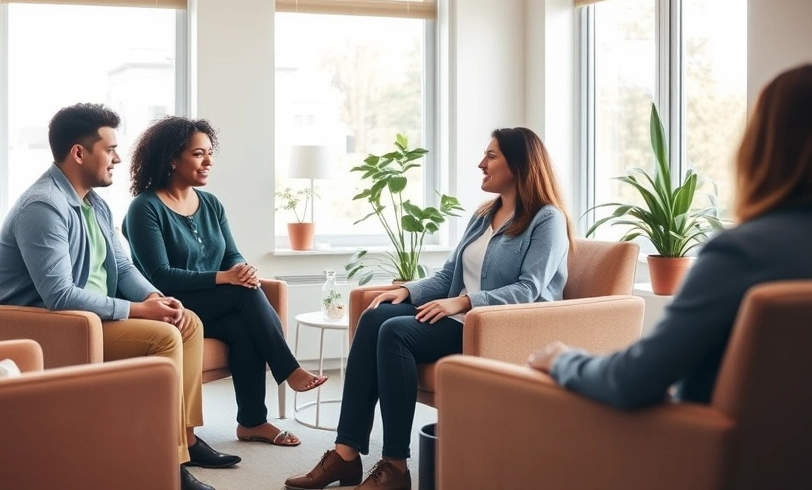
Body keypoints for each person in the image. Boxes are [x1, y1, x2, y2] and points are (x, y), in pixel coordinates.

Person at [286, 127, 573, 490]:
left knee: (395, 332)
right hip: (460, 318)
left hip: (501, 326)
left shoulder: (546, 219)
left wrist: (466, 301)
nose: (481, 164)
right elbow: (449, 274)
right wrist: (406, 291)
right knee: (375, 316)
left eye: (491, 156)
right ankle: (345, 454)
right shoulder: (485, 214)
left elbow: (529, 289)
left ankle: (395, 465)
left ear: (518, 164)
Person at [529, 64, 812, 409]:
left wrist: (562, 360)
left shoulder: (743, 253)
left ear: (765, 145)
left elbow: (631, 382)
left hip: (705, 454)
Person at [0, 103, 237, 490]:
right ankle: (165, 465)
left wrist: (157, 297)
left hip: (93, 319)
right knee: (163, 335)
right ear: (79, 153)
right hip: (48, 326)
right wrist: (140, 310)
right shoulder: (44, 206)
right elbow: (58, 295)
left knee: (186, 322)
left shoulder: (95, 204)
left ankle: (184, 441)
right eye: (110, 149)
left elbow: (122, 268)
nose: (118, 158)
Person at [122, 116, 328, 448]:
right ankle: (289, 369)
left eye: (209, 153)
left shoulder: (211, 204)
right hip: (170, 303)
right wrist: (226, 278)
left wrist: (241, 269)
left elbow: (231, 253)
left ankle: (252, 423)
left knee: (243, 324)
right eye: (198, 154)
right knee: (243, 296)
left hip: (216, 301)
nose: (208, 161)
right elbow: (158, 274)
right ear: (172, 159)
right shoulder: (145, 208)